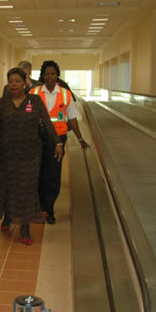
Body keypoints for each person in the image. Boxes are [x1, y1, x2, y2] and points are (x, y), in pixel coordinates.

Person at [0, 68, 63, 245]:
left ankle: (25, 227)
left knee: (27, 190)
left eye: (17, 81)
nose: (14, 84)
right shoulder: (1, 103)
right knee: (6, 187)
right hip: (6, 155)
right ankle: (7, 217)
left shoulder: (35, 101)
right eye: (11, 81)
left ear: (25, 83)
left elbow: (47, 122)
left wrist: (57, 142)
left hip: (30, 155)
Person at [31, 60, 89, 224]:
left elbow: (72, 119)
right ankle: (39, 207)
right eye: (47, 73)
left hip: (57, 140)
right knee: (38, 173)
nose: (49, 76)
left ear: (57, 76)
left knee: (53, 174)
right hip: (37, 139)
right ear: (42, 75)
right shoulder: (34, 92)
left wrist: (80, 138)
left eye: (53, 73)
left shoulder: (65, 94)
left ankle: (49, 209)